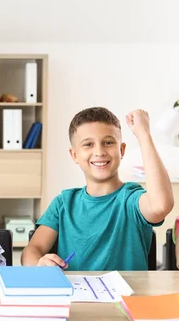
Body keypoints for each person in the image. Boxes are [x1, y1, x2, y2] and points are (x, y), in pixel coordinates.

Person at [22, 107, 173, 270]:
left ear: (121, 150)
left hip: (127, 295)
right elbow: (32, 249)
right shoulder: (64, 203)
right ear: (74, 155)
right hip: (75, 294)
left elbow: (160, 206)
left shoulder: (131, 199)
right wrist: (38, 264)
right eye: (88, 144)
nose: (99, 152)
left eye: (108, 142)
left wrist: (143, 134)